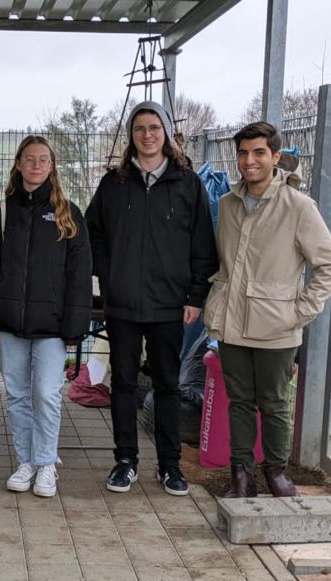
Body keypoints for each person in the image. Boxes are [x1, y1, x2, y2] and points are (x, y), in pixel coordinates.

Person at [203, 121, 331, 498]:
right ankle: (241, 475)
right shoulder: (228, 203)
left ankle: (276, 472)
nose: (250, 161)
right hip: (232, 322)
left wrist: (300, 312)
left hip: (276, 327)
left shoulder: (298, 206)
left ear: (276, 157)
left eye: (259, 153)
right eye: (244, 153)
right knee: (239, 403)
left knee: (275, 403)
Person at [85, 100, 218, 496]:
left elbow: (203, 246)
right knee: (123, 382)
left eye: (153, 127)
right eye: (139, 128)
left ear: (166, 132)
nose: (147, 135)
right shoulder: (114, 184)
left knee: (166, 385)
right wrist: (110, 277)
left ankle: (170, 465)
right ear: (131, 135)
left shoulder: (187, 184)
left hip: (169, 302)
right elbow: (94, 235)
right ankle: (125, 461)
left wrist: (196, 293)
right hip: (123, 302)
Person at [0, 136, 92, 497]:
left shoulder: (68, 214)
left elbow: (79, 275)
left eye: (43, 160)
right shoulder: (1, 212)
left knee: (46, 393)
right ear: (19, 165)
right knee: (16, 394)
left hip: (52, 326)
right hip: (8, 322)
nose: (36, 166)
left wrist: (75, 328)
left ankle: (46, 464)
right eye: (29, 159)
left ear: (52, 166)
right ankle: (25, 461)